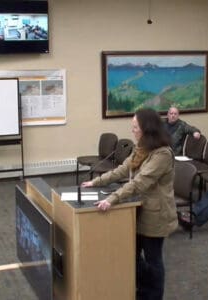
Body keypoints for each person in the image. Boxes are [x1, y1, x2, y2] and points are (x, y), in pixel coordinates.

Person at [81, 108, 177, 300]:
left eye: (135, 127)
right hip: (138, 210)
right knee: (131, 255)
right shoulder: (141, 147)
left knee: (153, 260)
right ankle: (143, 290)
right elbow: (123, 170)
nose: (132, 130)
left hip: (155, 215)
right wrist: (96, 182)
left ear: (147, 129)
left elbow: (140, 181)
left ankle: (153, 295)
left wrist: (112, 199)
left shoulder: (162, 154)